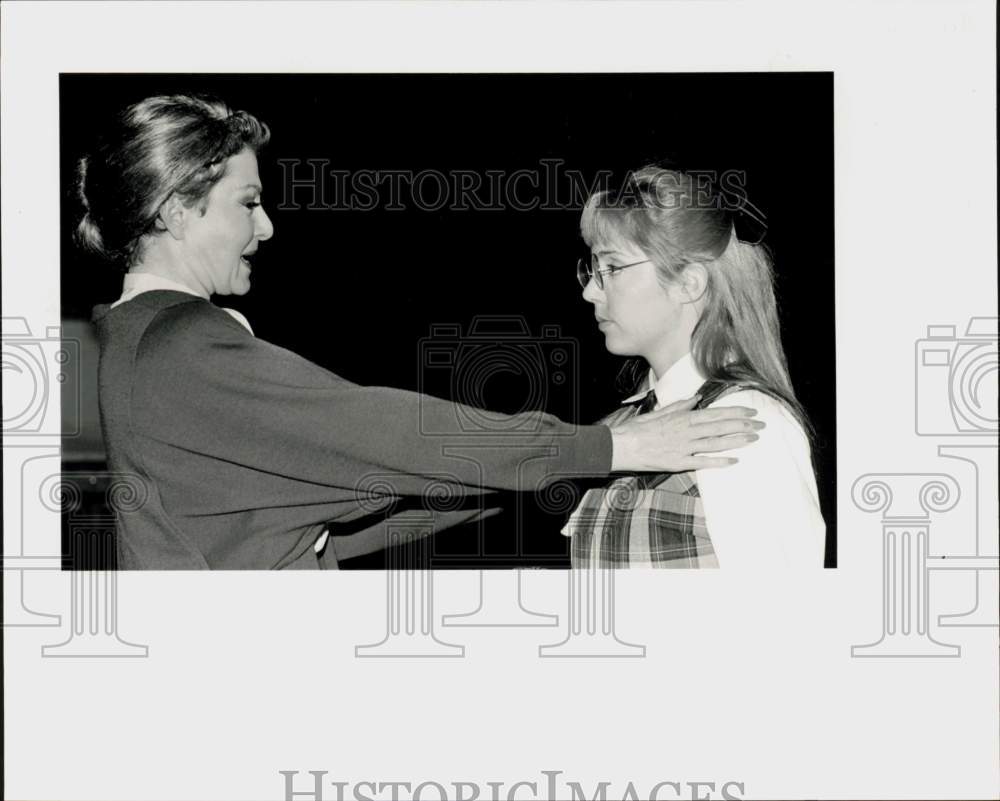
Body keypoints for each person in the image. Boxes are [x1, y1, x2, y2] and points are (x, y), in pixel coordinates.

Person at [75, 95, 763, 569]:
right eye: (248, 203)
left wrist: (562, 469)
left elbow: (336, 517)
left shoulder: (131, 345)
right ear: (174, 209)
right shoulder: (181, 348)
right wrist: (601, 445)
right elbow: (388, 433)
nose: (268, 226)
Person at [563, 164, 825, 568]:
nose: (589, 291)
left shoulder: (744, 424)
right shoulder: (621, 425)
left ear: (689, 283)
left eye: (611, 268)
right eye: (593, 269)